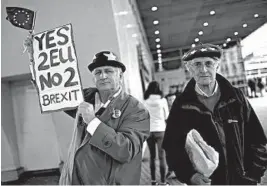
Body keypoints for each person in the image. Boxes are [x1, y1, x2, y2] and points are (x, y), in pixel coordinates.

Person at [24, 36, 150, 185]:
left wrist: (93, 121)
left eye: (108, 71)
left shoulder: (136, 110)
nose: (103, 76)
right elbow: (52, 95)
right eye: (98, 72)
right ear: (93, 77)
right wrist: (35, 58)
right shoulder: (86, 96)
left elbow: (126, 151)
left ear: (120, 75)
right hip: (78, 179)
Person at [162, 43, 267, 185]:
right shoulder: (181, 105)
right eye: (197, 64)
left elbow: (257, 139)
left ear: (217, 66)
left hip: (242, 181)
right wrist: (190, 176)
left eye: (208, 63)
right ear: (190, 69)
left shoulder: (236, 97)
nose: (203, 69)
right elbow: (172, 147)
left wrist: (254, 174)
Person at [144, 81, 169, 185]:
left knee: (152, 157)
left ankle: (153, 181)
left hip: (149, 130)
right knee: (162, 157)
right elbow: (166, 115)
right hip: (160, 130)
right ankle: (163, 182)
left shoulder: (145, 101)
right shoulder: (162, 100)